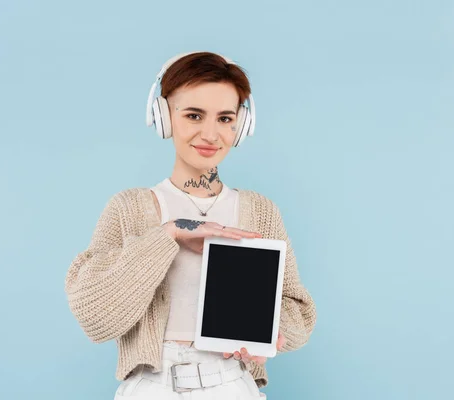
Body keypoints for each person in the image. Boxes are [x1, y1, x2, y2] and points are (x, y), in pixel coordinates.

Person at [64, 51, 317, 399]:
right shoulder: (130, 208)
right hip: (152, 387)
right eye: (194, 115)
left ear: (241, 126)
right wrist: (168, 235)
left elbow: (297, 312)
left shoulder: (260, 211)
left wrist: (269, 331)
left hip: (232, 384)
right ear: (164, 117)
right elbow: (95, 315)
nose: (211, 134)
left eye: (225, 118)